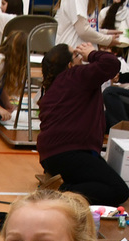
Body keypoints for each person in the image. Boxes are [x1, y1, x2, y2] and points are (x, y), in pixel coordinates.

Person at [37, 42, 129, 206]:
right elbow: (112, 63)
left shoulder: (54, 85)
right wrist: (92, 53)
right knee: (118, 190)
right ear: (70, 65)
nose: (82, 57)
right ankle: (62, 192)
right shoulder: (76, 75)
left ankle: (63, 186)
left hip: (51, 157)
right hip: (71, 153)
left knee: (101, 179)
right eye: (76, 55)